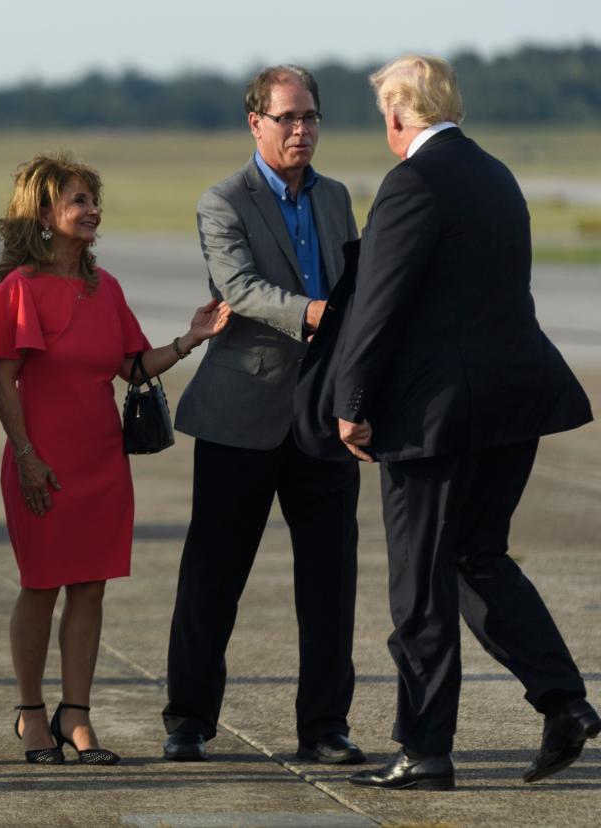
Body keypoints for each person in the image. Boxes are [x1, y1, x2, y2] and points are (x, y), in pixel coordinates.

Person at [334, 55, 601, 791]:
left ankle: (424, 749)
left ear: (395, 115)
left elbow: (378, 308)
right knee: (478, 557)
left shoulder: (411, 183)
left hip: (437, 415)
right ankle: (563, 701)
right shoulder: (495, 173)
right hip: (515, 402)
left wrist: (351, 403)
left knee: (420, 585)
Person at [0, 153, 229, 765]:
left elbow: (131, 366)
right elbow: (3, 382)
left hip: (102, 460)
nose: (92, 209)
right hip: (42, 457)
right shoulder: (20, 289)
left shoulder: (107, 289)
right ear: (44, 214)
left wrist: (189, 340)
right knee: (41, 586)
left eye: (93, 199)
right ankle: (31, 714)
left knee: (91, 589)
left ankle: (77, 714)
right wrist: (26, 456)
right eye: (79, 200)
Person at [162, 66, 364, 765]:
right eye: (287, 118)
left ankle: (326, 726)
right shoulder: (223, 201)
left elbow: (356, 289)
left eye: (310, 117)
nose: (301, 129)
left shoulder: (337, 198)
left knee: (331, 584)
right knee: (212, 581)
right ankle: (188, 720)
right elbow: (239, 288)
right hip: (239, 416)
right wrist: (313, 313)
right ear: (256, 123)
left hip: (324, 420)